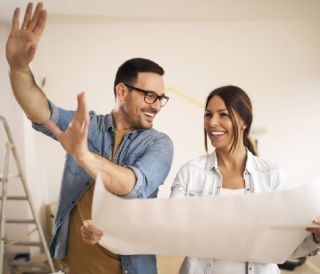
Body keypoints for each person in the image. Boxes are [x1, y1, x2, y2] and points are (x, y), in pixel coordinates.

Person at [6, 2, 173, 274]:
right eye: (149, 95)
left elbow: (133, 185)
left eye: (161, 98)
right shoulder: (89, 126)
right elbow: (40, 112)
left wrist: (82, 154)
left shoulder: (159, 144)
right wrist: (18, 68)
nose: (156, 105)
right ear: (122, 91)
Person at [170, 85, 320, 274]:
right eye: (208, 115)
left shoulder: (272, 174)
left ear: (244, 122)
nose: (212, 122)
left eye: (223, 114)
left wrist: (315, 238)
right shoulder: (190, 172)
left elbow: (284, 248)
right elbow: (172, 234)